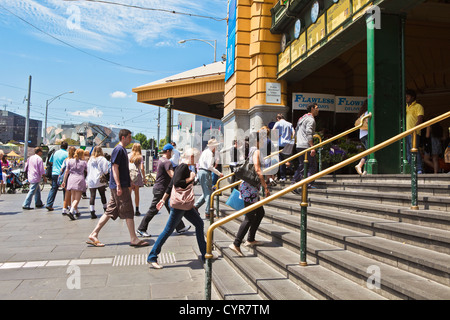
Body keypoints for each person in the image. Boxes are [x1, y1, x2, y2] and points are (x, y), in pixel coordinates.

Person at [86, 129, 149, 247]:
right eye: (129, 137)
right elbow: (114, 168)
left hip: (120, 185)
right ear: (123, 137)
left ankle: (93, 234)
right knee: (129, 211)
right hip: (120, 186)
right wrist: (119, 185)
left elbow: (121, 169)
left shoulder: (122, 150)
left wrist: (128, 181)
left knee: (109, 211)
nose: (131, 139)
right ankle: (134, 238)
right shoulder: (119, 149)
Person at [147, 148, 206, 269]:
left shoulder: (181, 167)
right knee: (168, 230)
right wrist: (191, 178)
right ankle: (152, 257)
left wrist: (163, 200)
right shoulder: (184, 167)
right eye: (196, 158)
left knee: (199, 224)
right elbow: (177, 183)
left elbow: (171, 185)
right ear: (191, 157)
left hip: (184, 204)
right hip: (180, 205)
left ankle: (205, 253)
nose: (197, 161)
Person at [229, 132, 270, 257]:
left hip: (249, 187)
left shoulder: (250, 150)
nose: (264, 141)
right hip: (251, 189)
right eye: (262, 139)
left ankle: (250, 239)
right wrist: (265, 186)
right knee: (249, 217)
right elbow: (257, 169)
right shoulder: (256, 151)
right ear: (257, 140)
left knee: (260, 213)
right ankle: (236, 243)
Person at [136, 143, 189, 237]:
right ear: (168, 151)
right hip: (161, 190)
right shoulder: (167, 162)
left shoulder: (161, 160)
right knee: (153, 209)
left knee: (173, 208)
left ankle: (180, 227)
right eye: (172, 151)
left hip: (161, 189)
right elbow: (173, 176)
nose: (173, 153)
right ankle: (141, 228)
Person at [292, 103, 319, 194]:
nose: (318, 110)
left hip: (299, 144)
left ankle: (295, 183)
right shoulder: (310, 119)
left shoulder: (302, 118)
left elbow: (296, 131)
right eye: (316, 108)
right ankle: (307, 184)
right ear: (312, 109)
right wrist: (312, 147)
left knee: (302, 165)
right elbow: (308, 133)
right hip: (306, 145)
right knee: (312, 165)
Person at [194, 138, 224, 219]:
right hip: (205, 172)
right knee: (208, 193)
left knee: (206, 192)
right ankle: (208, 212)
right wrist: (219, 173)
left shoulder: (205, 152)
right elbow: (210, 167)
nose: (216, 148)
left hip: (201, 172)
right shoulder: (210, 153)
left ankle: (195, 207)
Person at [61, 148, 87, 220]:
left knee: (73, 197)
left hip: (71, 179)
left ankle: (77, 211)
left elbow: (66, 172)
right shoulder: (83, 162)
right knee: (77, 199)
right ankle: (71, 211)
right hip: (79, 179)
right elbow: (87, 170)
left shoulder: (70, 161)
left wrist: (64, 181)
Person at [86, 146, 110, 219]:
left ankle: (92, 211)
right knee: (102, 194)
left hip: (91, 179)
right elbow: (105, 170)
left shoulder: (90, 159)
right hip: (99, 179)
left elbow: (88, 169)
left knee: (92, 196)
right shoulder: (103, 159)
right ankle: (105, 209)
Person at [45, 141, 68, 211]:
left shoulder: (55, 153)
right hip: (62, 174)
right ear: (66, 147)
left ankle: (49, 204)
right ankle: (65, 205)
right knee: (65, 189)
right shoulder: (67, 154)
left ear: (60, 146)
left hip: (54, 172)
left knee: (53, 188)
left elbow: (50, 161)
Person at [405, 89, 424, 174]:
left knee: (415, 151)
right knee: (408, 152)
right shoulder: (405, 107)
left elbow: (420, 119)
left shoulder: (418, 106)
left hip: (414, 133)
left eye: (408, 96)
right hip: (405, 133)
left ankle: (419, 169)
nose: (406, 98)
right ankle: (411, 169)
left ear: (413, 97)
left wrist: (414, 130)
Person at [272, 113, 294, 182]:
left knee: (281, 160)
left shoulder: (278, 123)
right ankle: (291, 173)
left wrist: (276, 138)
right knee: (288, 159)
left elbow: (273, 130)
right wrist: (291, 139)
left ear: (278, 118)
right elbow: (294, 132)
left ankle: (283, 176)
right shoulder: (289, 124)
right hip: (289, 144)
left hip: (280, 143)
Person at [128, 143, 146, 216]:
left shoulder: (128, 155)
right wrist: (144, 177)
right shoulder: (140, 157)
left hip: (129, 176)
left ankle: (128, 209)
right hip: (137, 176)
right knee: (136, 194)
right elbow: (142, 168)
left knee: (129, 194)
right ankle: (137, 210)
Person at [354, 100, 369, 175]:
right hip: (367, 134)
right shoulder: (367, 113)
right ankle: (360, 165)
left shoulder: (362, 114)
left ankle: (365, 170)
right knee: (369, 151)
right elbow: (367, 121)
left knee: (368, 151)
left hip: (362, 135)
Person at [61, 146, 76, 216]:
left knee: (67, 194)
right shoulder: (77, 160)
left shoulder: (66, 160)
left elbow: (62, 170)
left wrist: (63, 180)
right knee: (74, 194)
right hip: (74, 177)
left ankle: (64, 208)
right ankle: (73, 208)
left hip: (67, 177)